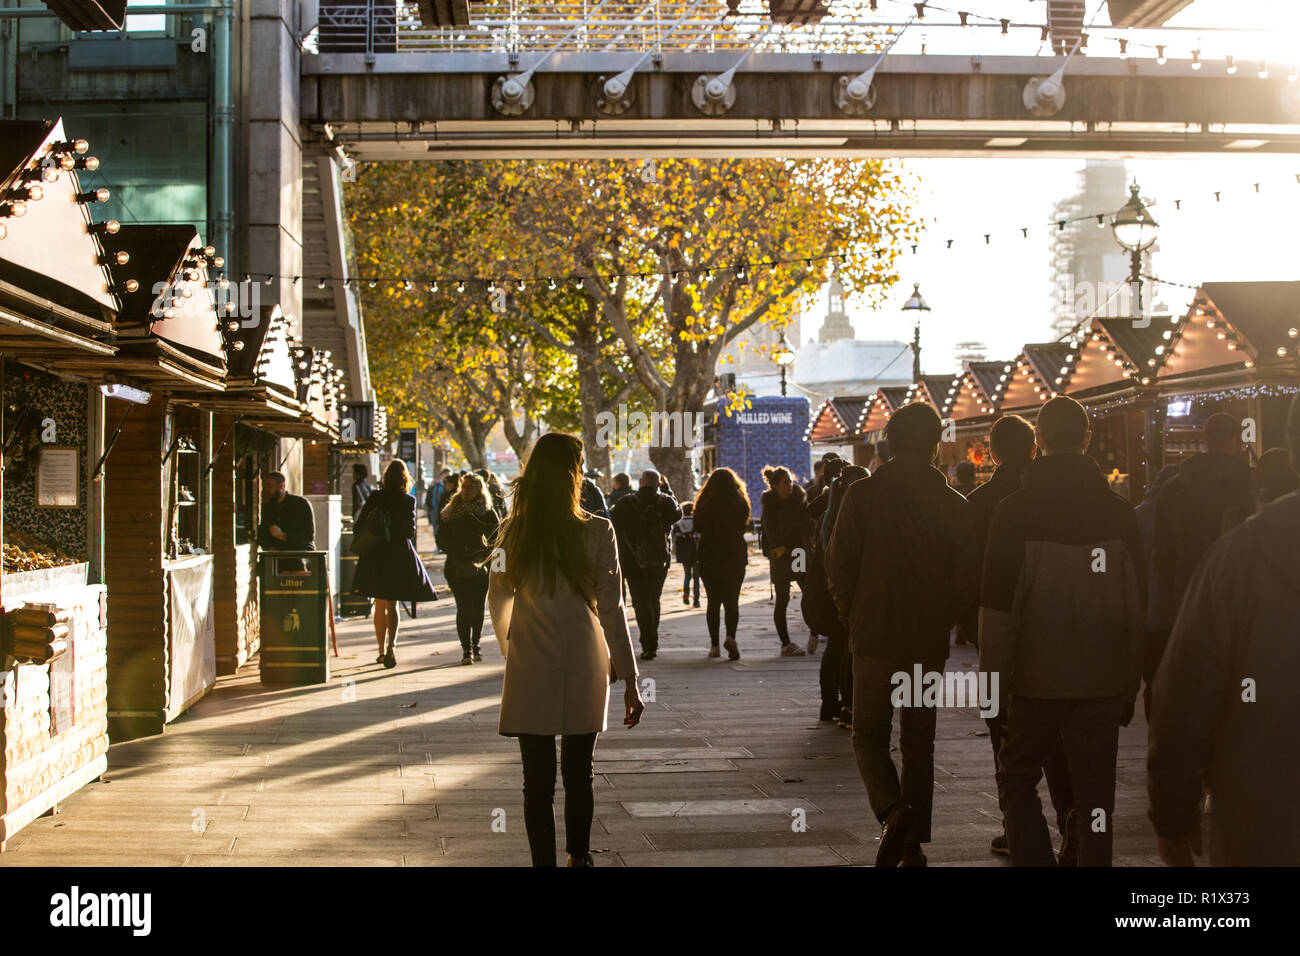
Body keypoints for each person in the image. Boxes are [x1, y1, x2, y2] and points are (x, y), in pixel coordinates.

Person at [980, 396, 1146, 868]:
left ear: (1039, 443)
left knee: (1016, 779)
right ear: (1087, 438)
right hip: (1102, 679)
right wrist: (1130, 682)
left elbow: (997, 610)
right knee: (1097, 796)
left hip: (1036, 680)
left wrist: (994, 686)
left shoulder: (1013, 513)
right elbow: (1137, 604)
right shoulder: (1119, 513)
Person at [1147, 394, 1300, 867]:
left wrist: (1173, 814)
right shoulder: (1243, 496)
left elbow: (1182, 701)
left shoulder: (1238, 556)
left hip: (1266, 822)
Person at [828, 404, 976, 867]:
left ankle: (893, 810)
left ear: (891, 441)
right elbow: (965, 578)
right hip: (925, 640)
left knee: (868, 734)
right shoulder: (954, 505)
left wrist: (853, 612)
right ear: (935, 444)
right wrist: (944, 616)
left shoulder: (862, 496)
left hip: (874, 635)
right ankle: (912, 843)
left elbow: (839, 563)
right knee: (918, 742)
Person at [488, 432, 644, 867]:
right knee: (580, 772)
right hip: (584, 657)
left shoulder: (510, 534)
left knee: (535, 779)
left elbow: (497, 597)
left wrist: (509, 645)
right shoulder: (598, 531)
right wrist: (631, 680)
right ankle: (579, 857)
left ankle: (545, 863)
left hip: (531, 658)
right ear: (574, 474)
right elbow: (612, 610)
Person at [963, 414, 1075, 860]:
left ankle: (1018, 824)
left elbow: (969, 575)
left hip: (998, 631)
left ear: (992, 452)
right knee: (1057, 733)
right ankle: (1070, 814)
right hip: (1057, 630)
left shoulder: (980, 502)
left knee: (1007, 736)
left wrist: (972, 627)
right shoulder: (1058, 499)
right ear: (1034, 448)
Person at [1149, 412, 1251, 687]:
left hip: (1187, 590)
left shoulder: (1174, 489)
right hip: (1241, 594)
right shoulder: (1250, 484)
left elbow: (1161, 550)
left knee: (1198, 672)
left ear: (1206, 439)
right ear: (1233, 441)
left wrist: (1177, 582)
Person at [352, 460, 438, 668]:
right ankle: (392, 646)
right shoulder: (408, 501)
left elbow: (360, 524)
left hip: (375, 554)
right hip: (397, 555)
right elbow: (410, 531)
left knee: (379, 603)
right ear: (405, 479)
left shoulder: (375, 497)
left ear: (386, 477)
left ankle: (381, 650)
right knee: (392, 603)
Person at [610, 471, 681, 661]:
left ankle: (647, 642)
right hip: (659, 560)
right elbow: (678, 513)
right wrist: (667, 489)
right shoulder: (665, 502)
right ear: (658, 483)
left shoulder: (625, 503)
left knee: (640, 602)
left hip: (633, 562)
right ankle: (653, 640)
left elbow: (611, 521)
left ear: (640, 482)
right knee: (654, 599)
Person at [815, 464, 866, 725]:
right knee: (852, 652)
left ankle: (830, 702)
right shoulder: (859, 518)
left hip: (831, 594)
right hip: (853, 595)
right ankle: (848, 703)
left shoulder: (828, 517)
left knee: (836, 649)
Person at [437, 472, 500, 665]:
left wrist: (487, 558)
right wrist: (456, 549)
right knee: (463, 607)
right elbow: (441, 539)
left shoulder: (488, 513)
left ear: (479, 490)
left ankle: (476, 644)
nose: (465, 491)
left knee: (477, 607)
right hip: (456, 566)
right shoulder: (450, 511)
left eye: (469, 487)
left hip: (480, 567)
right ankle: (467, 649)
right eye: (463, 487)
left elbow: (497, 540)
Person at [692, 467, 750, 659]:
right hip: (734, 554)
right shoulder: (740, 502)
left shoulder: (704, 503)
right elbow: (744, 524)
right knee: (732, 601)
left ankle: (714, 646)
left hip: (709, 555)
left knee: (713, 602)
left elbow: (697, 525)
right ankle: (731, 637)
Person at [759, 466, 809, 657]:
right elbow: (770, 530)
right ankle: (786, 643)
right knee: (783, 599)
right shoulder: (769, 503)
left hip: (797, 552)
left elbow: (806, 524)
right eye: (785, 483)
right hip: (780, 554)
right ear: (775, 486)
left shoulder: (800, 498)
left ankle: (815, 630)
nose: (789, 485)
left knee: (807, 591)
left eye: (790, 481)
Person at [258, 471, 316, 554]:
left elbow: (308, 536)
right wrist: (269, 547)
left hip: (300, 553)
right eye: (265, 487)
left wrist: (282, 535)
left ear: (281, 486)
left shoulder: (300, 504)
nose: (267, 490)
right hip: (276, 555)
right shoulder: (267, 508)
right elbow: (263, 534)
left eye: (270, 486)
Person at [671, 501, 701, 608]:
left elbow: (674, 540)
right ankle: (696, 600)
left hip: (684, 553)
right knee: (696, 577)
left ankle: (686, 593)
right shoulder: (697, 522)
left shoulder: (678, 524)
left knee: (687, 575)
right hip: (696, 553)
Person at [427, 468, 450, 536]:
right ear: (441, 475)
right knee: (436, 528)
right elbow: (429, 498)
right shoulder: (434, 486)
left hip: (442, 511)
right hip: (434, 511)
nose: (446, 477)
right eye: (446, 475)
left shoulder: (446, 486)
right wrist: (430, 508)